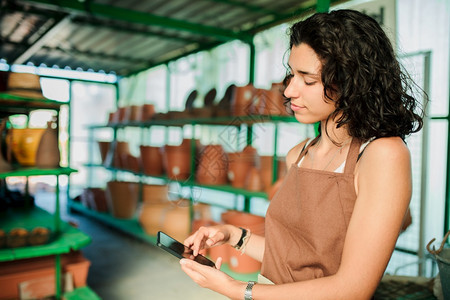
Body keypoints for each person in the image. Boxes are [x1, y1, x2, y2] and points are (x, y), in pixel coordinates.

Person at [180, 9, 425, 299]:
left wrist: (236, 289)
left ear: (351, 81)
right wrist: (234, 235)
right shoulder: (299, 154)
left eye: (308, 80)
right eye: (291, 75)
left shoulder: (381, 155)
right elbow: (294, 258)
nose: (290, 91)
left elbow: (353, 289)